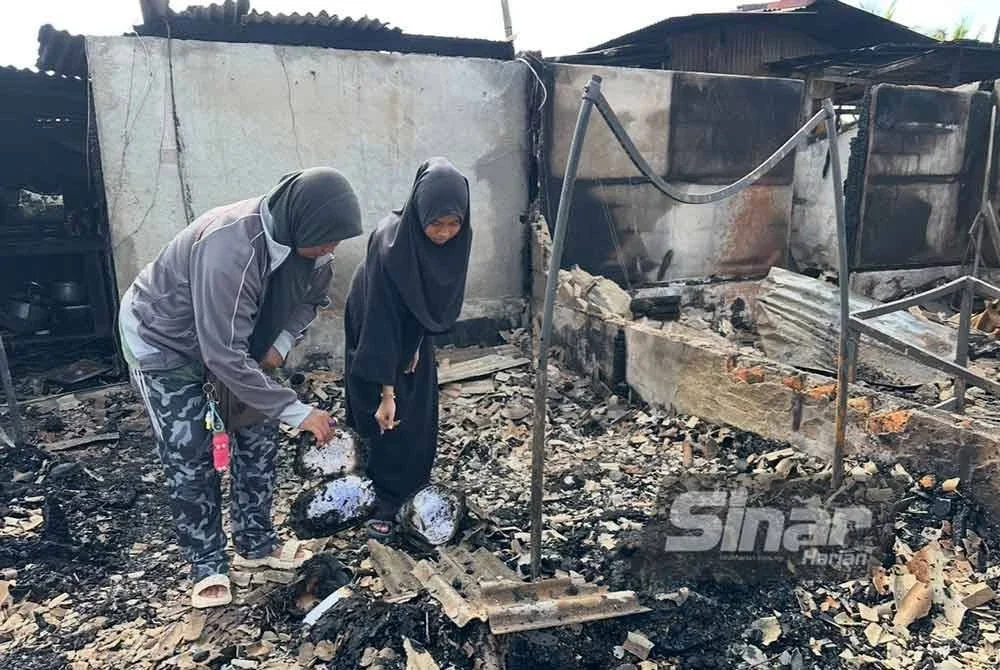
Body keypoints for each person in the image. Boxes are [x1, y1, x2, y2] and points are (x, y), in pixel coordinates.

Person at [118, 167, 363, 608]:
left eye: (337, 240)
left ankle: (256, 542)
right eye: (326, 239)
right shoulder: (229, 248)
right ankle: (207, 563)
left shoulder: (314, 255)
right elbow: (222, 355)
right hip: (165, 342)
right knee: (189, 452)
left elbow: (310, 300)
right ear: (300, 223)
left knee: (258, 437)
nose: (332, 249)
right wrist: (298, 412)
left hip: (234, 343)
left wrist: (279, 344)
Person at [343, 157, 472, 540]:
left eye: (453, 223)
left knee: (417, 406)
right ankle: (379, 498)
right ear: (419, 213)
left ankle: (413, 488)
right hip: (373, 319)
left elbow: (431, 301)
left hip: (411, 327)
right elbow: (381, 322)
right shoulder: (389, 243)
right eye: (436, 223)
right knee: (383, 413)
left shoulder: (455, 241)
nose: (444, 233)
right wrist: (386, 392)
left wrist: (415, 341)